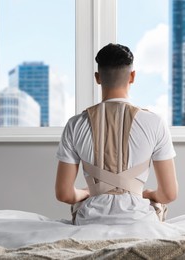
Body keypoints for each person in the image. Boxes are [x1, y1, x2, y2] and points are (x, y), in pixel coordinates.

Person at [55, 43, 178, 225]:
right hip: (139, 220)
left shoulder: (75, 124)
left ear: (97, 78)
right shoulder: (155, 123)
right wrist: (149, 194)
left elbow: (64, 194)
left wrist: (88, 193)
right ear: (132, 76)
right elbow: (169, 194)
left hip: (91, 221)